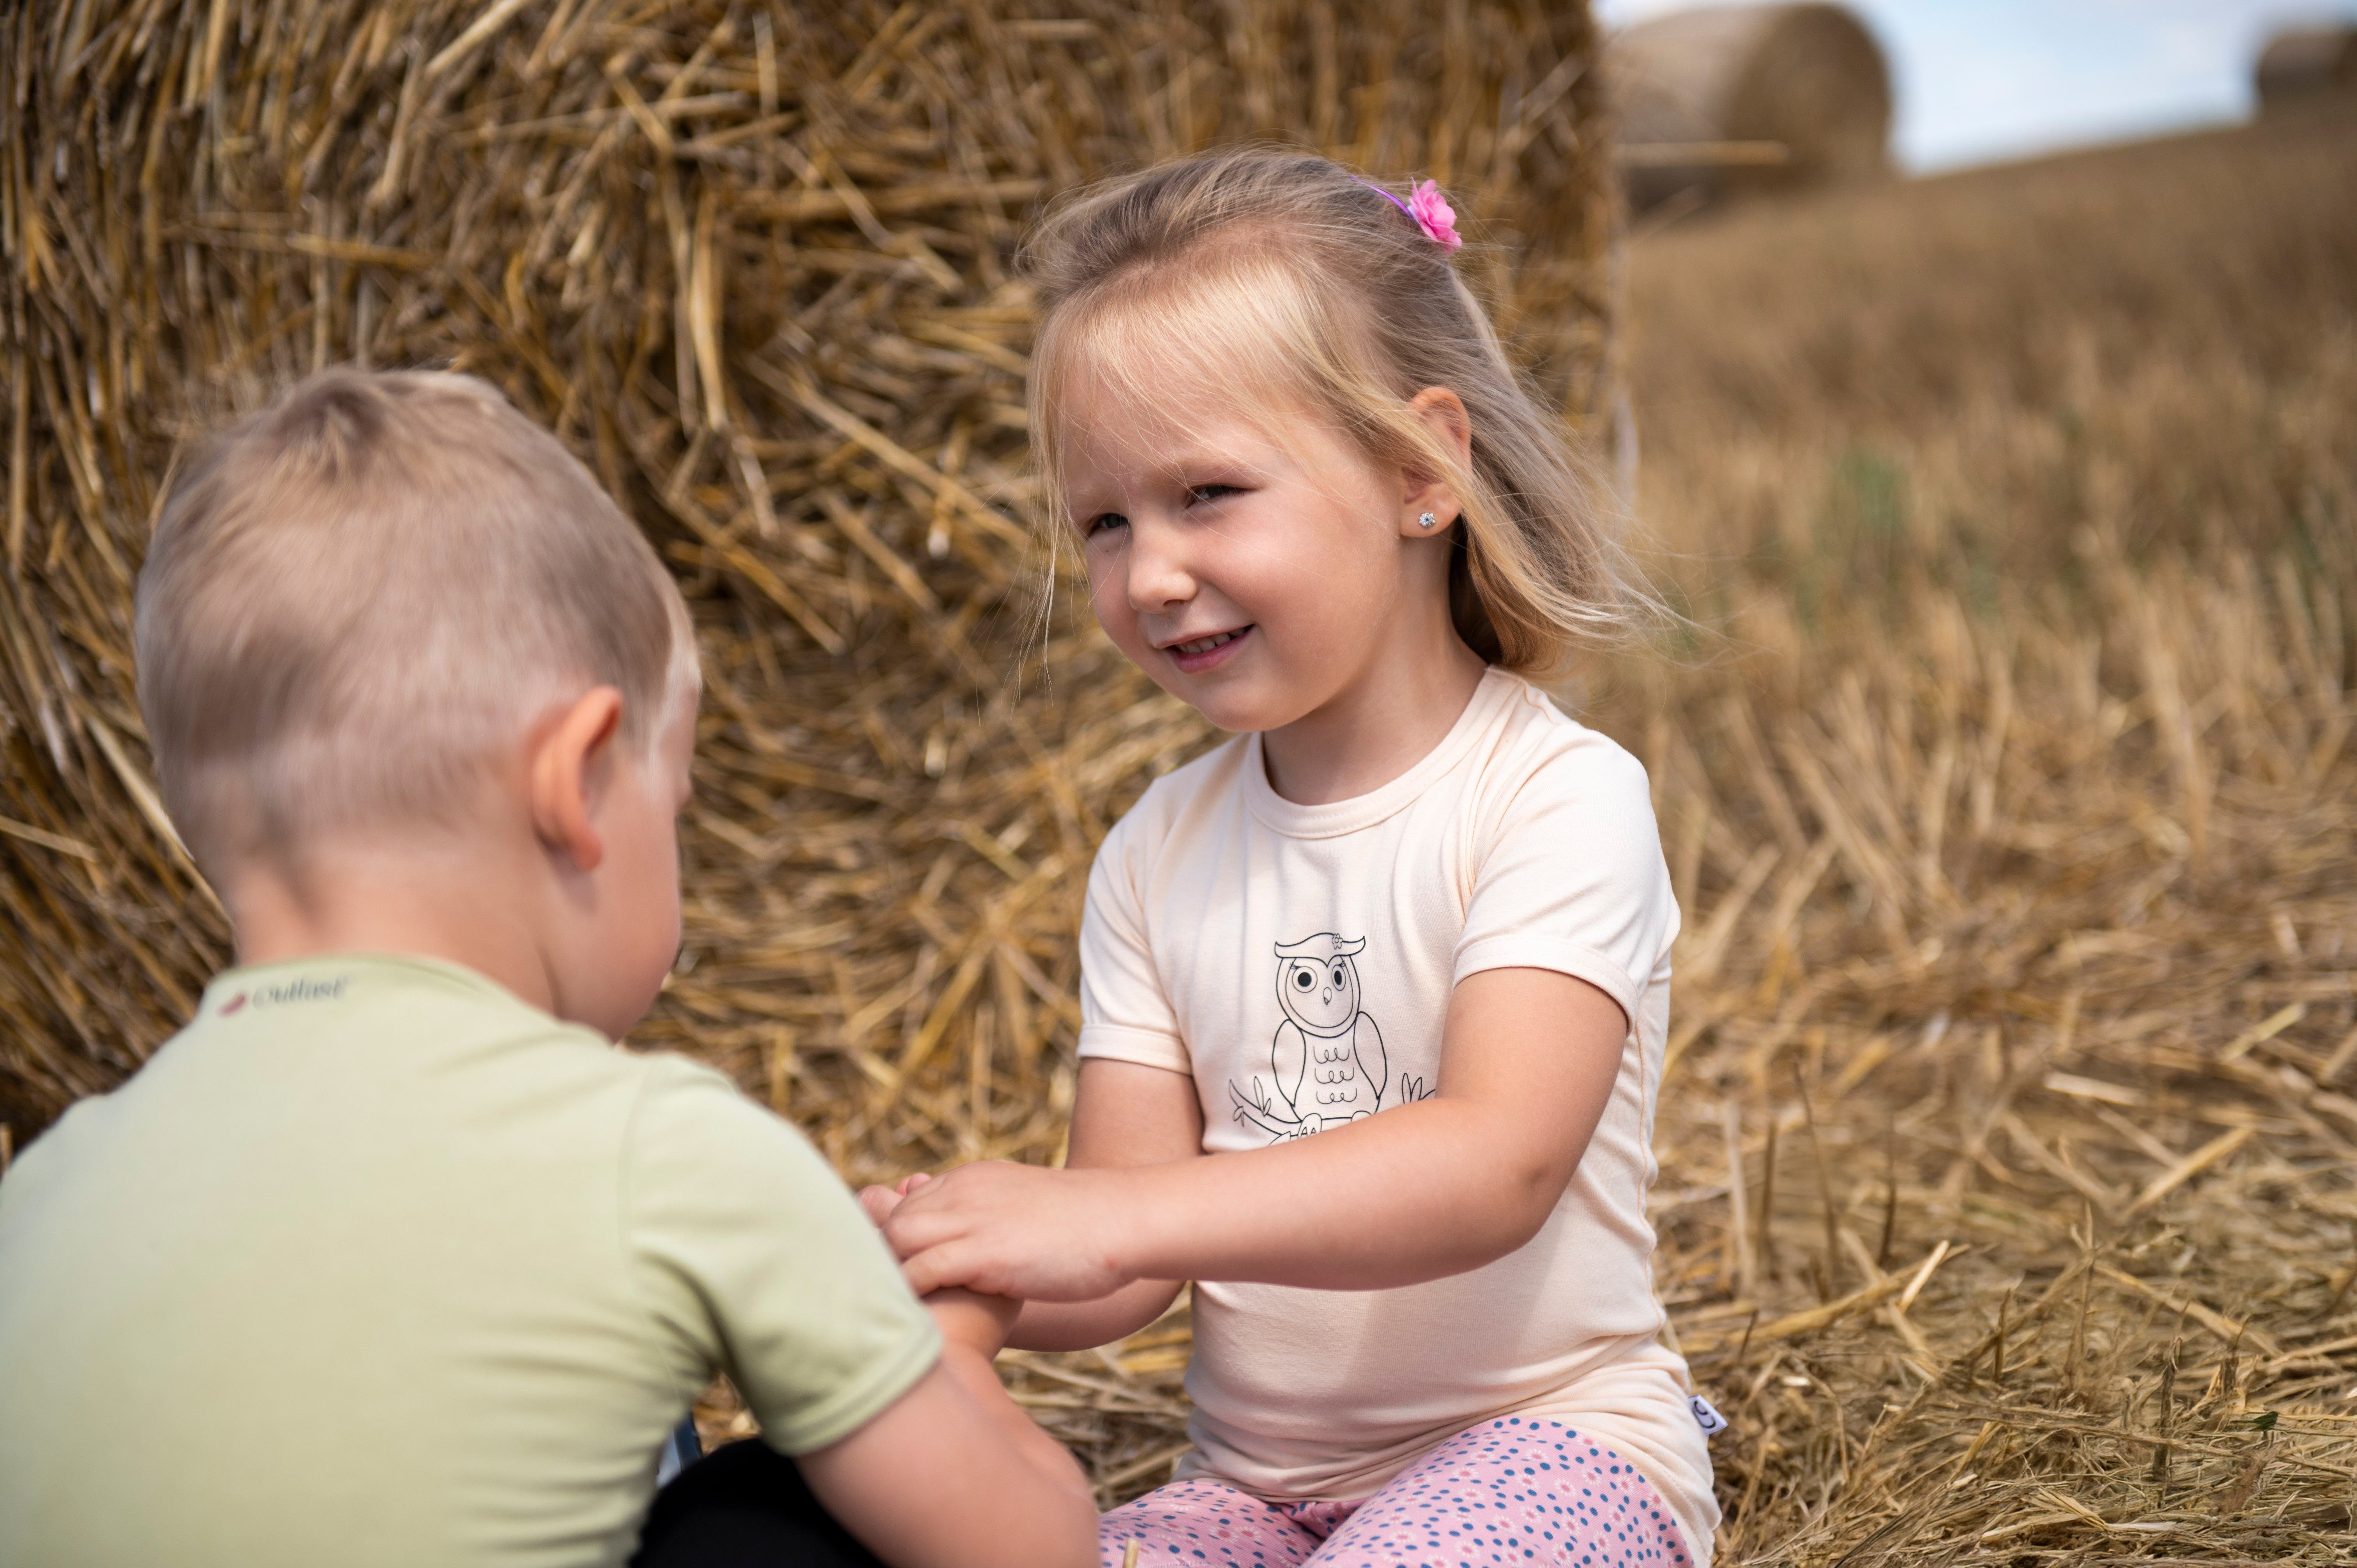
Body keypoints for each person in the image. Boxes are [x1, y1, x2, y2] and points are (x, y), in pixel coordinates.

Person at [0, 369, 1096, 1568]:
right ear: (578, 783)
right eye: (674, 803)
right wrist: (935, 1346)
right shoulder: (667, 1157)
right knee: (772, 1506)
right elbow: (1032, 1552)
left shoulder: (44, 1198)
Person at [864, 150, 1720, 1566]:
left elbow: (1495, 1165)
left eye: (1207, 492)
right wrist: (958, 1252)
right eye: (1106, 522)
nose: (1151, 575)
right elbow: (1119, 1268)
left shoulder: (1554, 797)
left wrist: (1112, 1218)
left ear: (1419, 472)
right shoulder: (1154, 854)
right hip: (1251, 1493)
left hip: (1558, 1444)